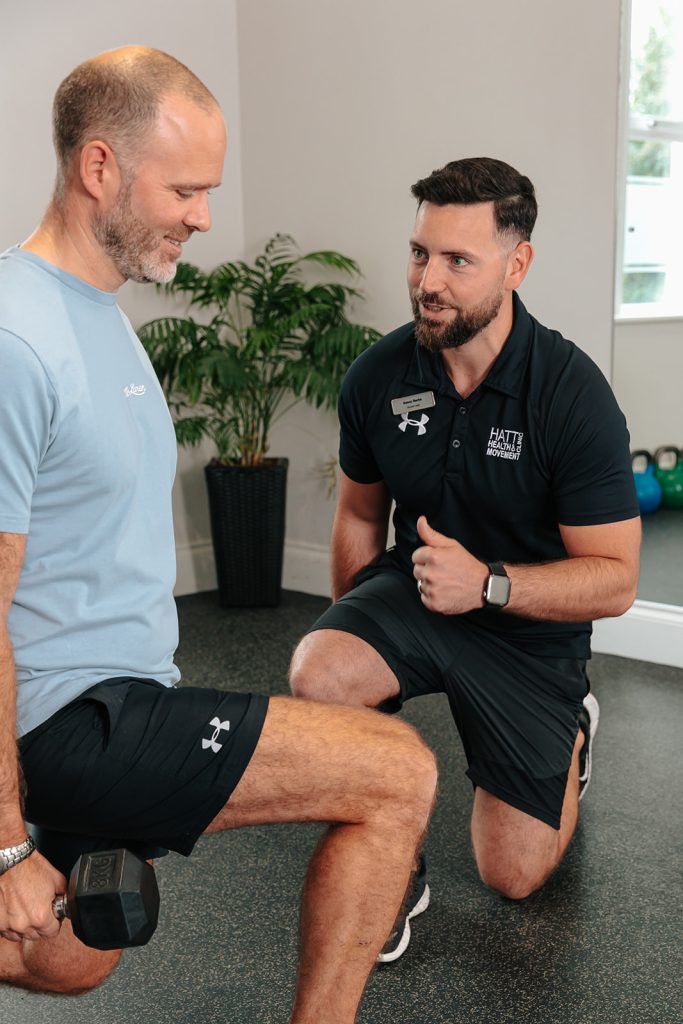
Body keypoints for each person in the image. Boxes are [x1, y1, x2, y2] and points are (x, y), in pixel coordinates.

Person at [0, 48, 438, 1022]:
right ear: (100, 167)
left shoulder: (99, 317)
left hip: (115, 696)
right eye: (186, 188)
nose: (203, 215)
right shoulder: (15, 338)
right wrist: (4, 846)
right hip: (74, 720)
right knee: (395, 772)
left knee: (74, 957)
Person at [289, 157, 641, 962]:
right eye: (419, 253)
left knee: (511, 874)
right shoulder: (379, 375)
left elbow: (616, 579)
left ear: (515, 264)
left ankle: (570, 738)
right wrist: (360, 663)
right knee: (322, 672)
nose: (427, 281)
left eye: (456, 261)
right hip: (418, 590)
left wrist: (486, 585)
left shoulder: (570, 394)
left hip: (528, 628)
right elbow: (357, 513)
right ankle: (391, 871)